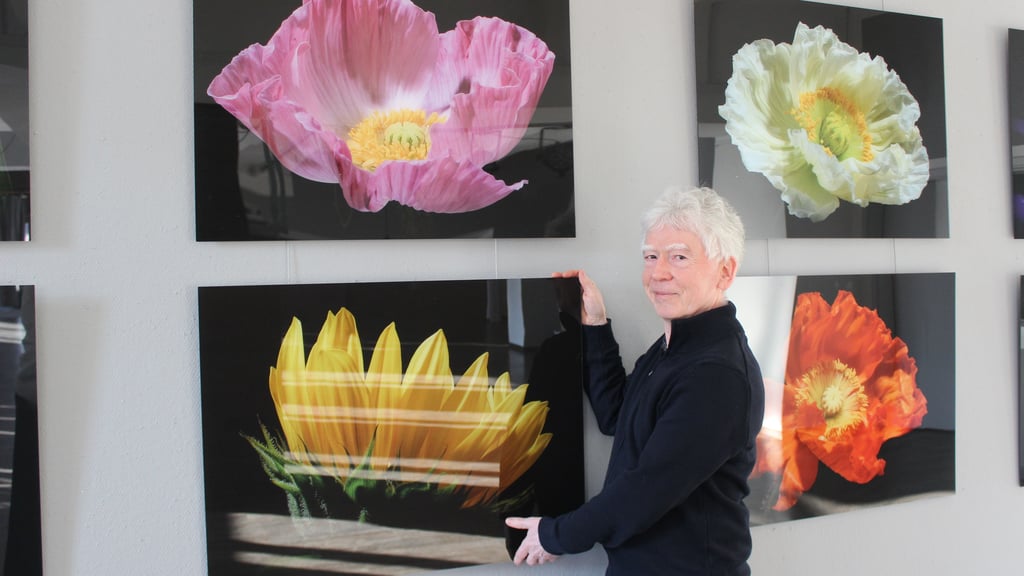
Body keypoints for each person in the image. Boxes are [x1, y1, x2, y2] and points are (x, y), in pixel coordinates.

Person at [505, 186, 765, 575]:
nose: (659, 272)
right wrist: (594, 322)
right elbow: (617, 415)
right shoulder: (674, 348)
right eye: (651, 256)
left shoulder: (716, 375)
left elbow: (644, 492)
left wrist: (554, 534)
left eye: (679, 257)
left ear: (725, 271)